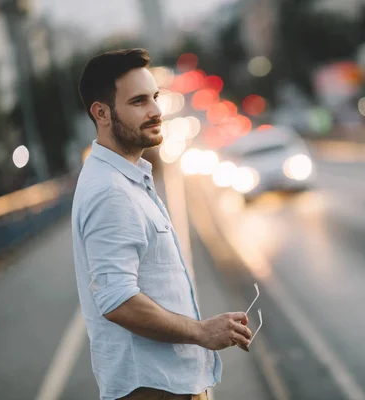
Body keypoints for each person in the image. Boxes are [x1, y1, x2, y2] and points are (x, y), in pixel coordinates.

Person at [72, 48, 252, 400]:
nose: (155, 111)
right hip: (154, 390)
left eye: (155, 97)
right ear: (101, 113)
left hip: (169, 386)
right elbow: (117, 301)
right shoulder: (110, 191)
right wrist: (201, 332)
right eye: (139, 101)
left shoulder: (127, 178)